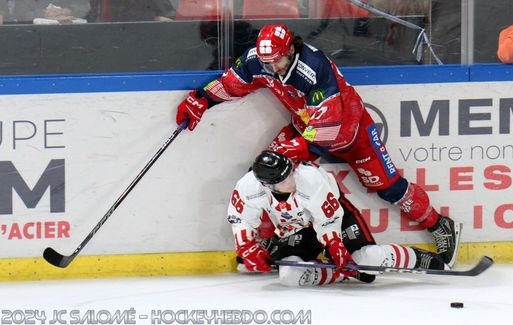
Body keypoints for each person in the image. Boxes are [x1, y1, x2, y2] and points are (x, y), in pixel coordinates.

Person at [176, 23, 462, 268]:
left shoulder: (313, 67)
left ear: (290, 50)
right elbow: (233, 82)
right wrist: (202, 99)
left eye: (277, 60)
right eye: (267, 63)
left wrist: (299, 150)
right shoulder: (259, 61)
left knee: (389, 188)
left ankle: (439, 225)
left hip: (351, 133)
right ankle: (282, 238)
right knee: (268, 172)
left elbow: (329, 125)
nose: (271, 68)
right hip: (304, 130)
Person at [227, 150, 448, 286]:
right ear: (268, 185)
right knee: (290, 277)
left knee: (367, 259)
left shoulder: (311, 179)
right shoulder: (248, 186)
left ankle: (419, 258)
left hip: (336, 218)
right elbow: (240, 218)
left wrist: (335, 247)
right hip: (298, 230)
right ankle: (341, 274)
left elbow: (328, 220)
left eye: (291, 171)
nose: (292, 177)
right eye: (285, 179)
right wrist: (246, 247)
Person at [85, 0, 175, 22]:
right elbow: (96, 14)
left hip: (144, 36)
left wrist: (154, 18)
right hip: (104, 37)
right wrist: (76, 20)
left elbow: (168, 14)